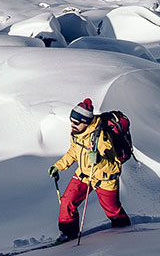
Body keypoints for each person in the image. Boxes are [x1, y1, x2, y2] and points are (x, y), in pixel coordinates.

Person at [50, 98, 131, 239]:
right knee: (67, 203)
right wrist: (58, 166)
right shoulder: (76, 133)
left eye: (76, 122)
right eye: (71, 121)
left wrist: (100, 161)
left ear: (86, 122)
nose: (72, 125)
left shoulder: (101, 138)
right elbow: (73, 151)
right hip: (84, 175)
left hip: (104, 179)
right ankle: (68, 235)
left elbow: (114, 167)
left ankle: (125, 233)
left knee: (113, 211)